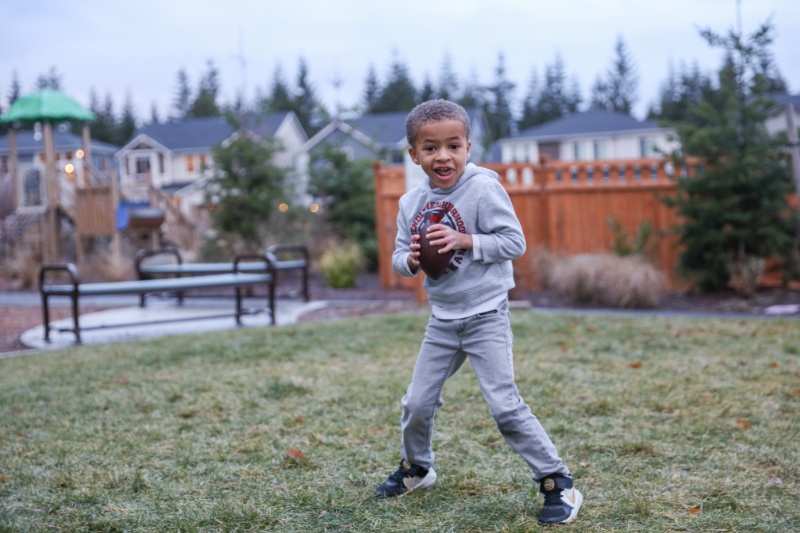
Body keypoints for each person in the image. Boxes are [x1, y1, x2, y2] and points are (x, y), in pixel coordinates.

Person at [374, 100, 582, 525]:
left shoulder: (484, 188)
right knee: (416, 402)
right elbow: (398, 256)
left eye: (453, 145)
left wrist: (466, 240)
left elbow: (513, 242)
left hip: (487, 314)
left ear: (468, 147)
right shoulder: (410, 203)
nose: (443, 156)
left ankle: (557, 481)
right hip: (443, 320)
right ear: (414, 155)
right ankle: (417, 468)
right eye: (430, 148)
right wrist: (410, 260)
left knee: (505, 407)